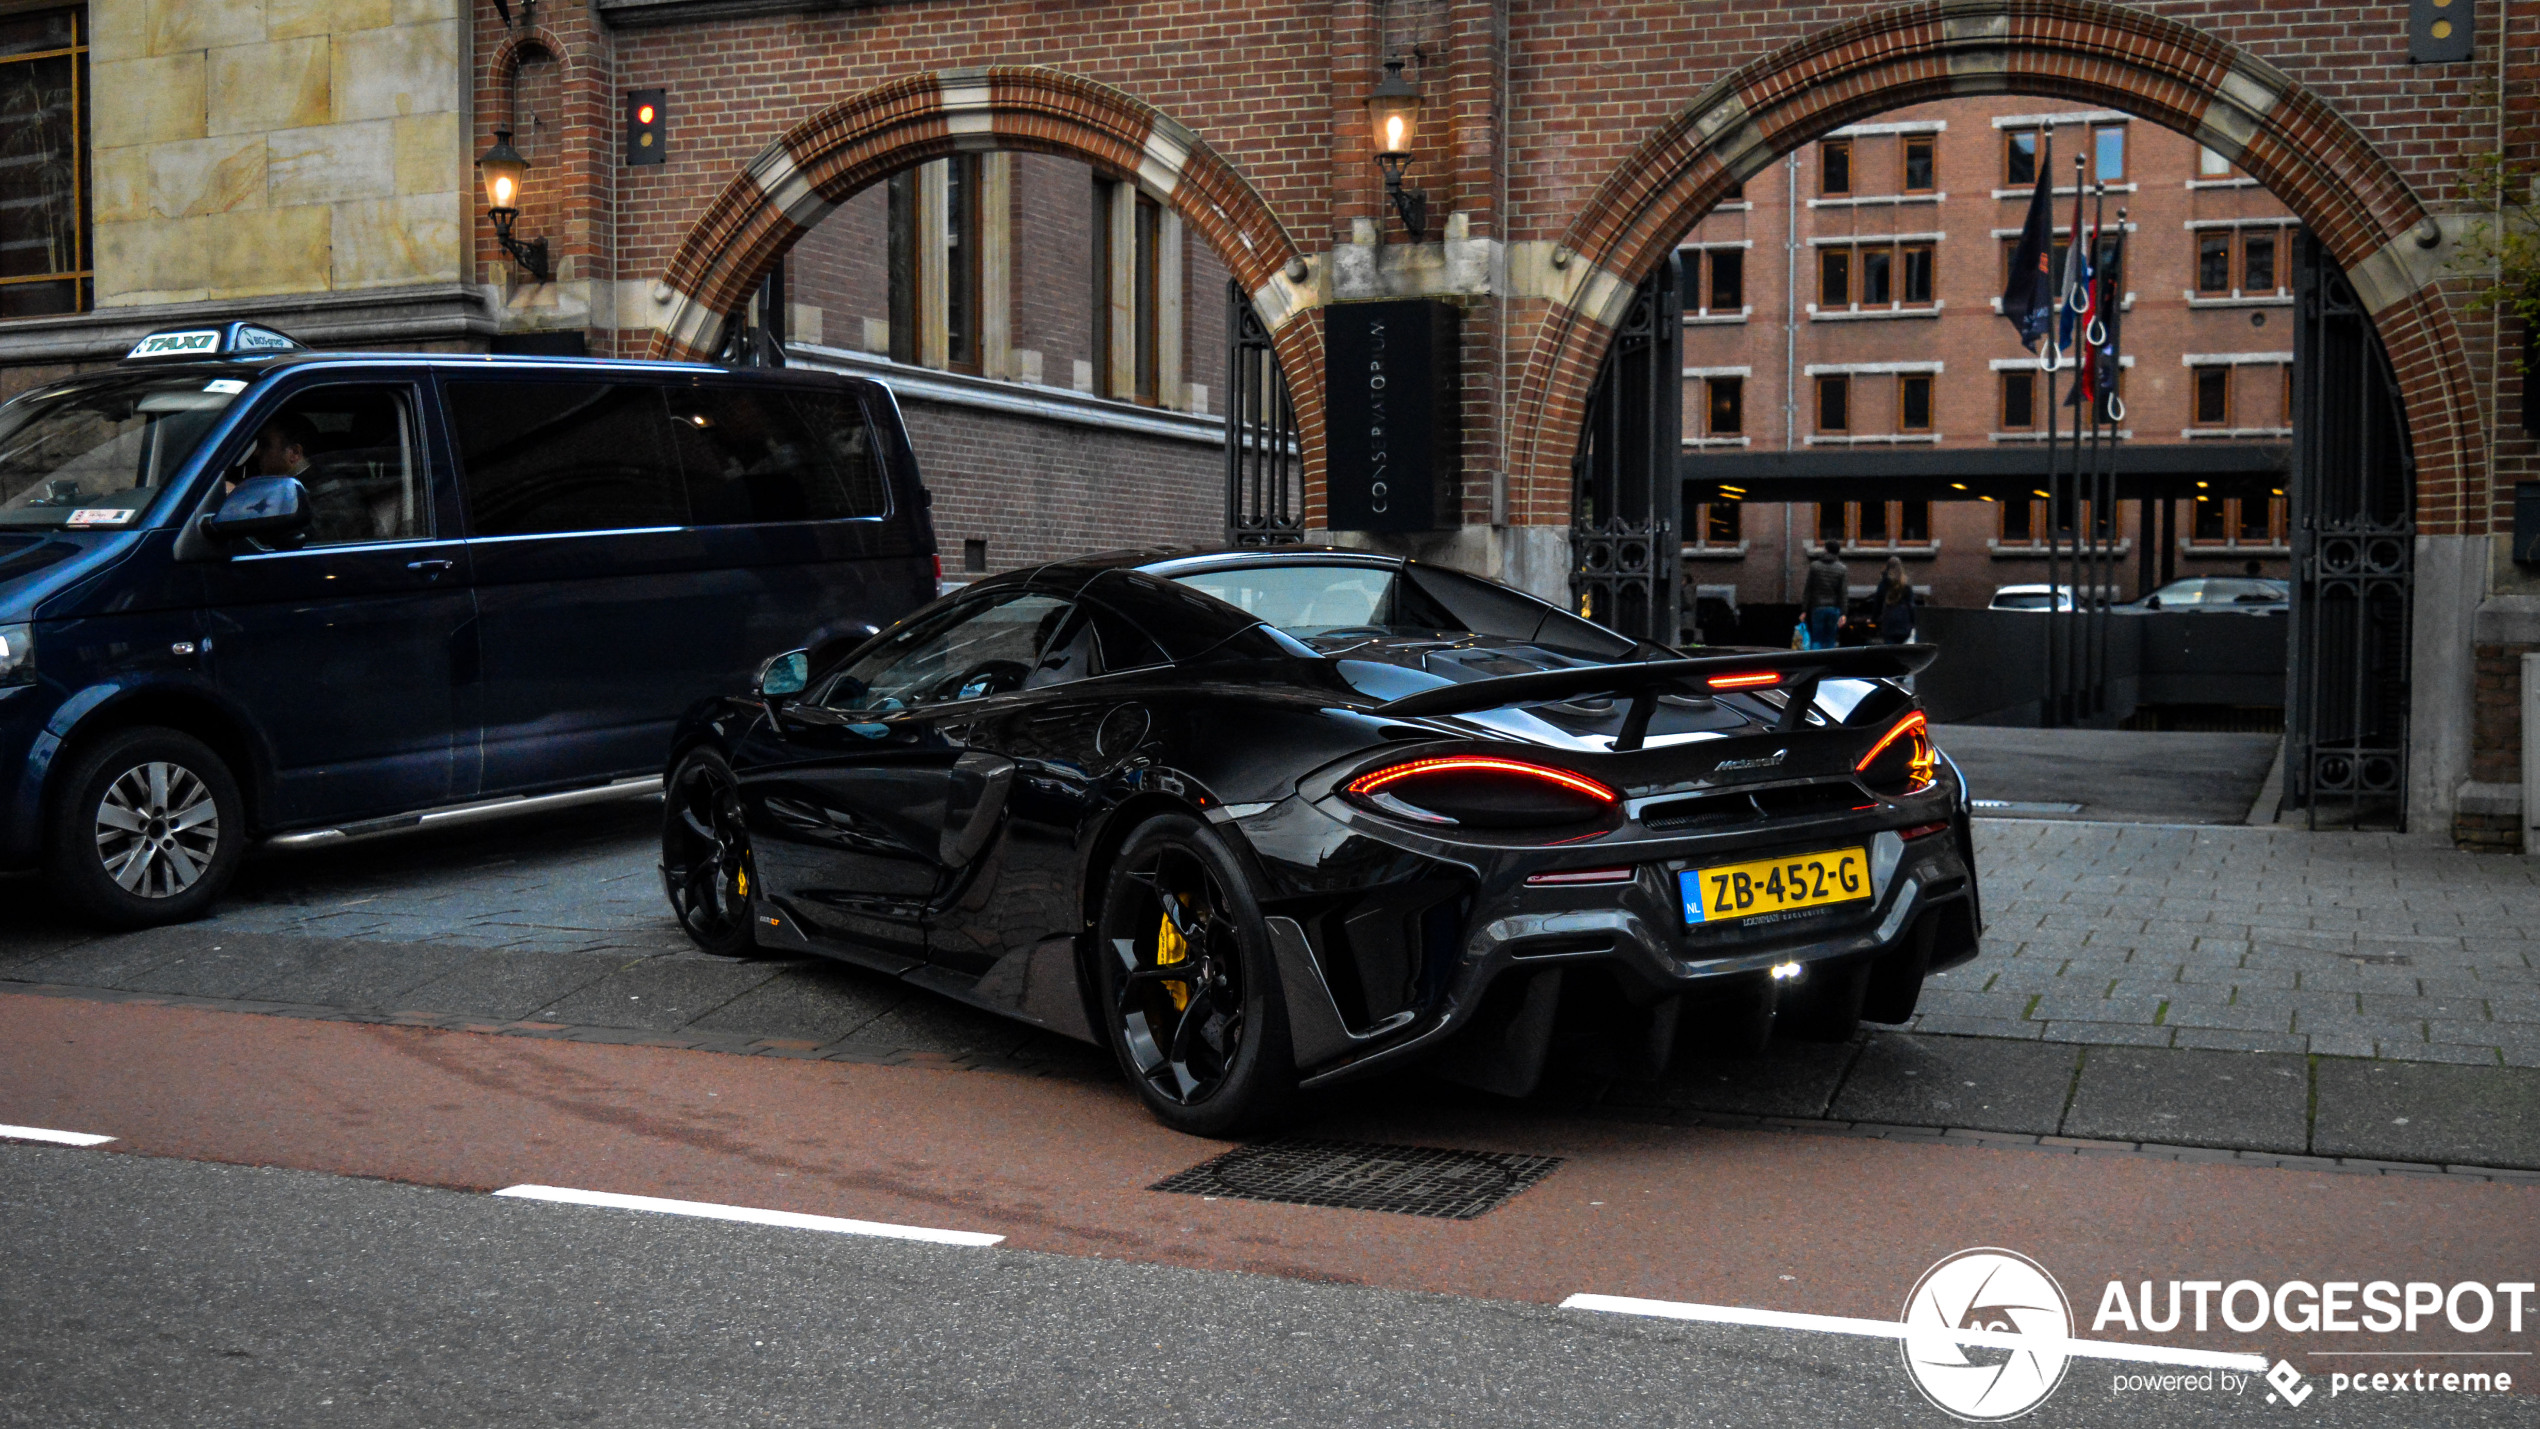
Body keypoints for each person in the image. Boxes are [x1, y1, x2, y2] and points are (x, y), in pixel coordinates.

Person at [1801, 539, 1847, 649]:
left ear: (1826, 550)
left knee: (1816, 639)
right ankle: (1828, 663)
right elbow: (1843, 593)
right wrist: (1844, 613)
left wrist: (1804, 610)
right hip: (1833, 608)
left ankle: (1816, 663)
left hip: (1817, 607)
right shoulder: (1842, 568)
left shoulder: (1815, 566)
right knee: (1830, 639)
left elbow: (1808, 590)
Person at [1872, 555, 1917, 645]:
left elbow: (1878, 602)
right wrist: (1914, 621)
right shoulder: (1906, 583)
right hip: (1904, 622)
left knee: (1890, 650)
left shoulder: (1884, 583)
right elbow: (1911, 605)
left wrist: (1874, 618)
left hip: (1889, 622)